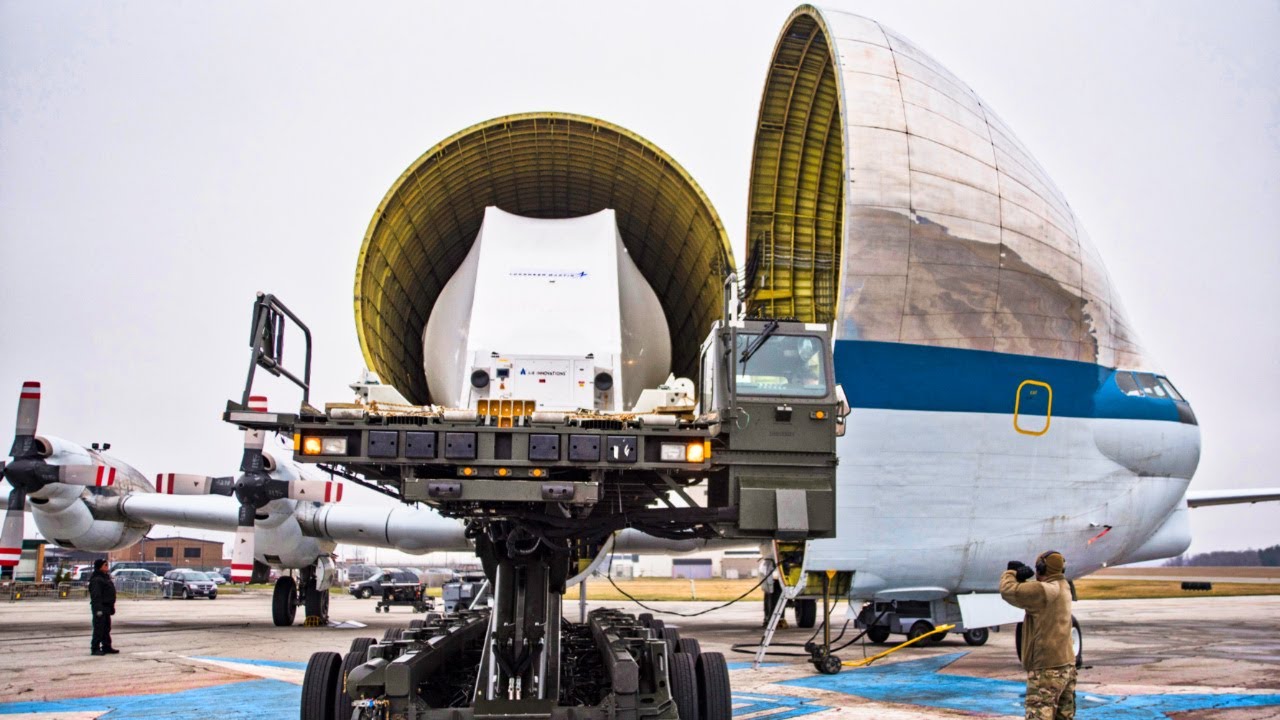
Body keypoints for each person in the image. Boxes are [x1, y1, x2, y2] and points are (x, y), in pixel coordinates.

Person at [1000, 551, 1074, 720]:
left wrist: (1011, 573)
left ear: (1042, 568)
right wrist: (1024, 581)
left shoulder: (1043, 591)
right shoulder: (1064, 586)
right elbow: (1035, 592)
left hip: (1046, 669)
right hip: (1067, 666)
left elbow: (1007, 590)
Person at [88, 558, 118, 655]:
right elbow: (96, 596)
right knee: (99, 628)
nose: (107, 566)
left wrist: (111, 606)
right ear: (100, 567)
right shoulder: (97, 579)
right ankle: (95, 648)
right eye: (105, 565)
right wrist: (98, 609)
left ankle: (106, 646)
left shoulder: (105, 577)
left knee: (106, 628)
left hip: (107, 607)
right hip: (100, 607)